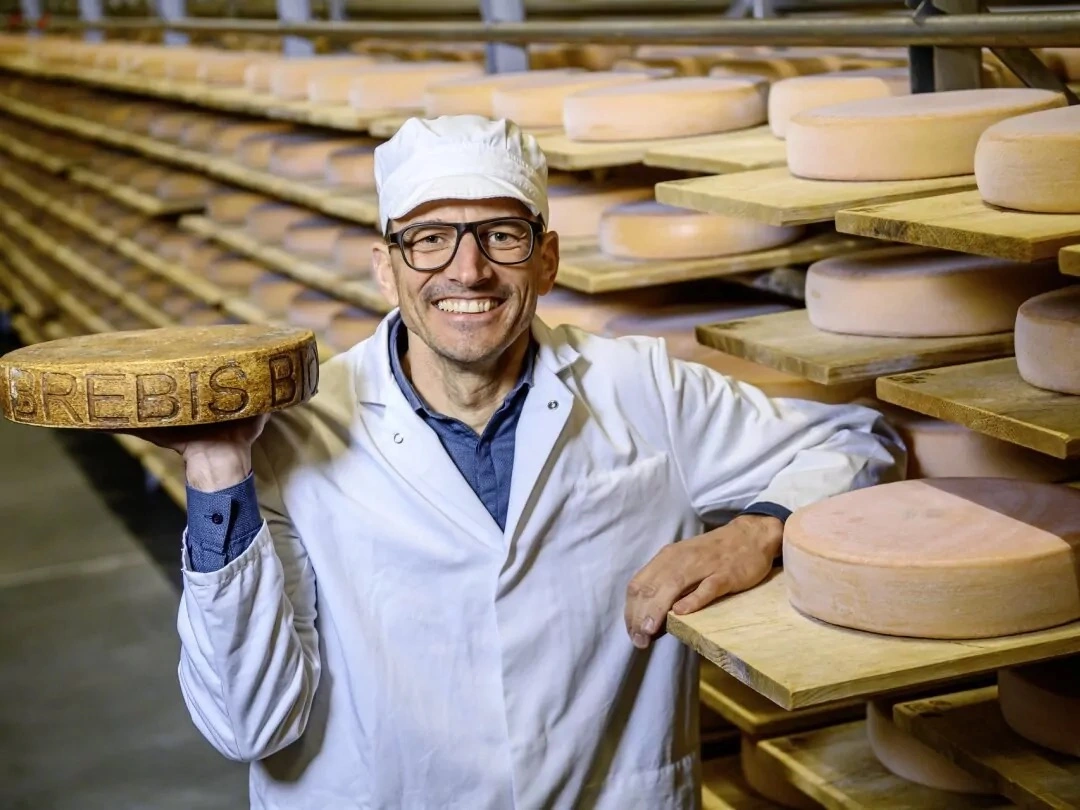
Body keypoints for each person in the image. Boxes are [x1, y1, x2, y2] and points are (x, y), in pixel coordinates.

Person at [159, 116, 904, 809]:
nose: (469, 269)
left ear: (546, 261)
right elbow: (246, 725)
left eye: (502, 235)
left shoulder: (640, 387)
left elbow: (860, 441)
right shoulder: (298, 434)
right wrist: (219, 471)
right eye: (429, 239)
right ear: (386, 269)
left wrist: (754, 532)